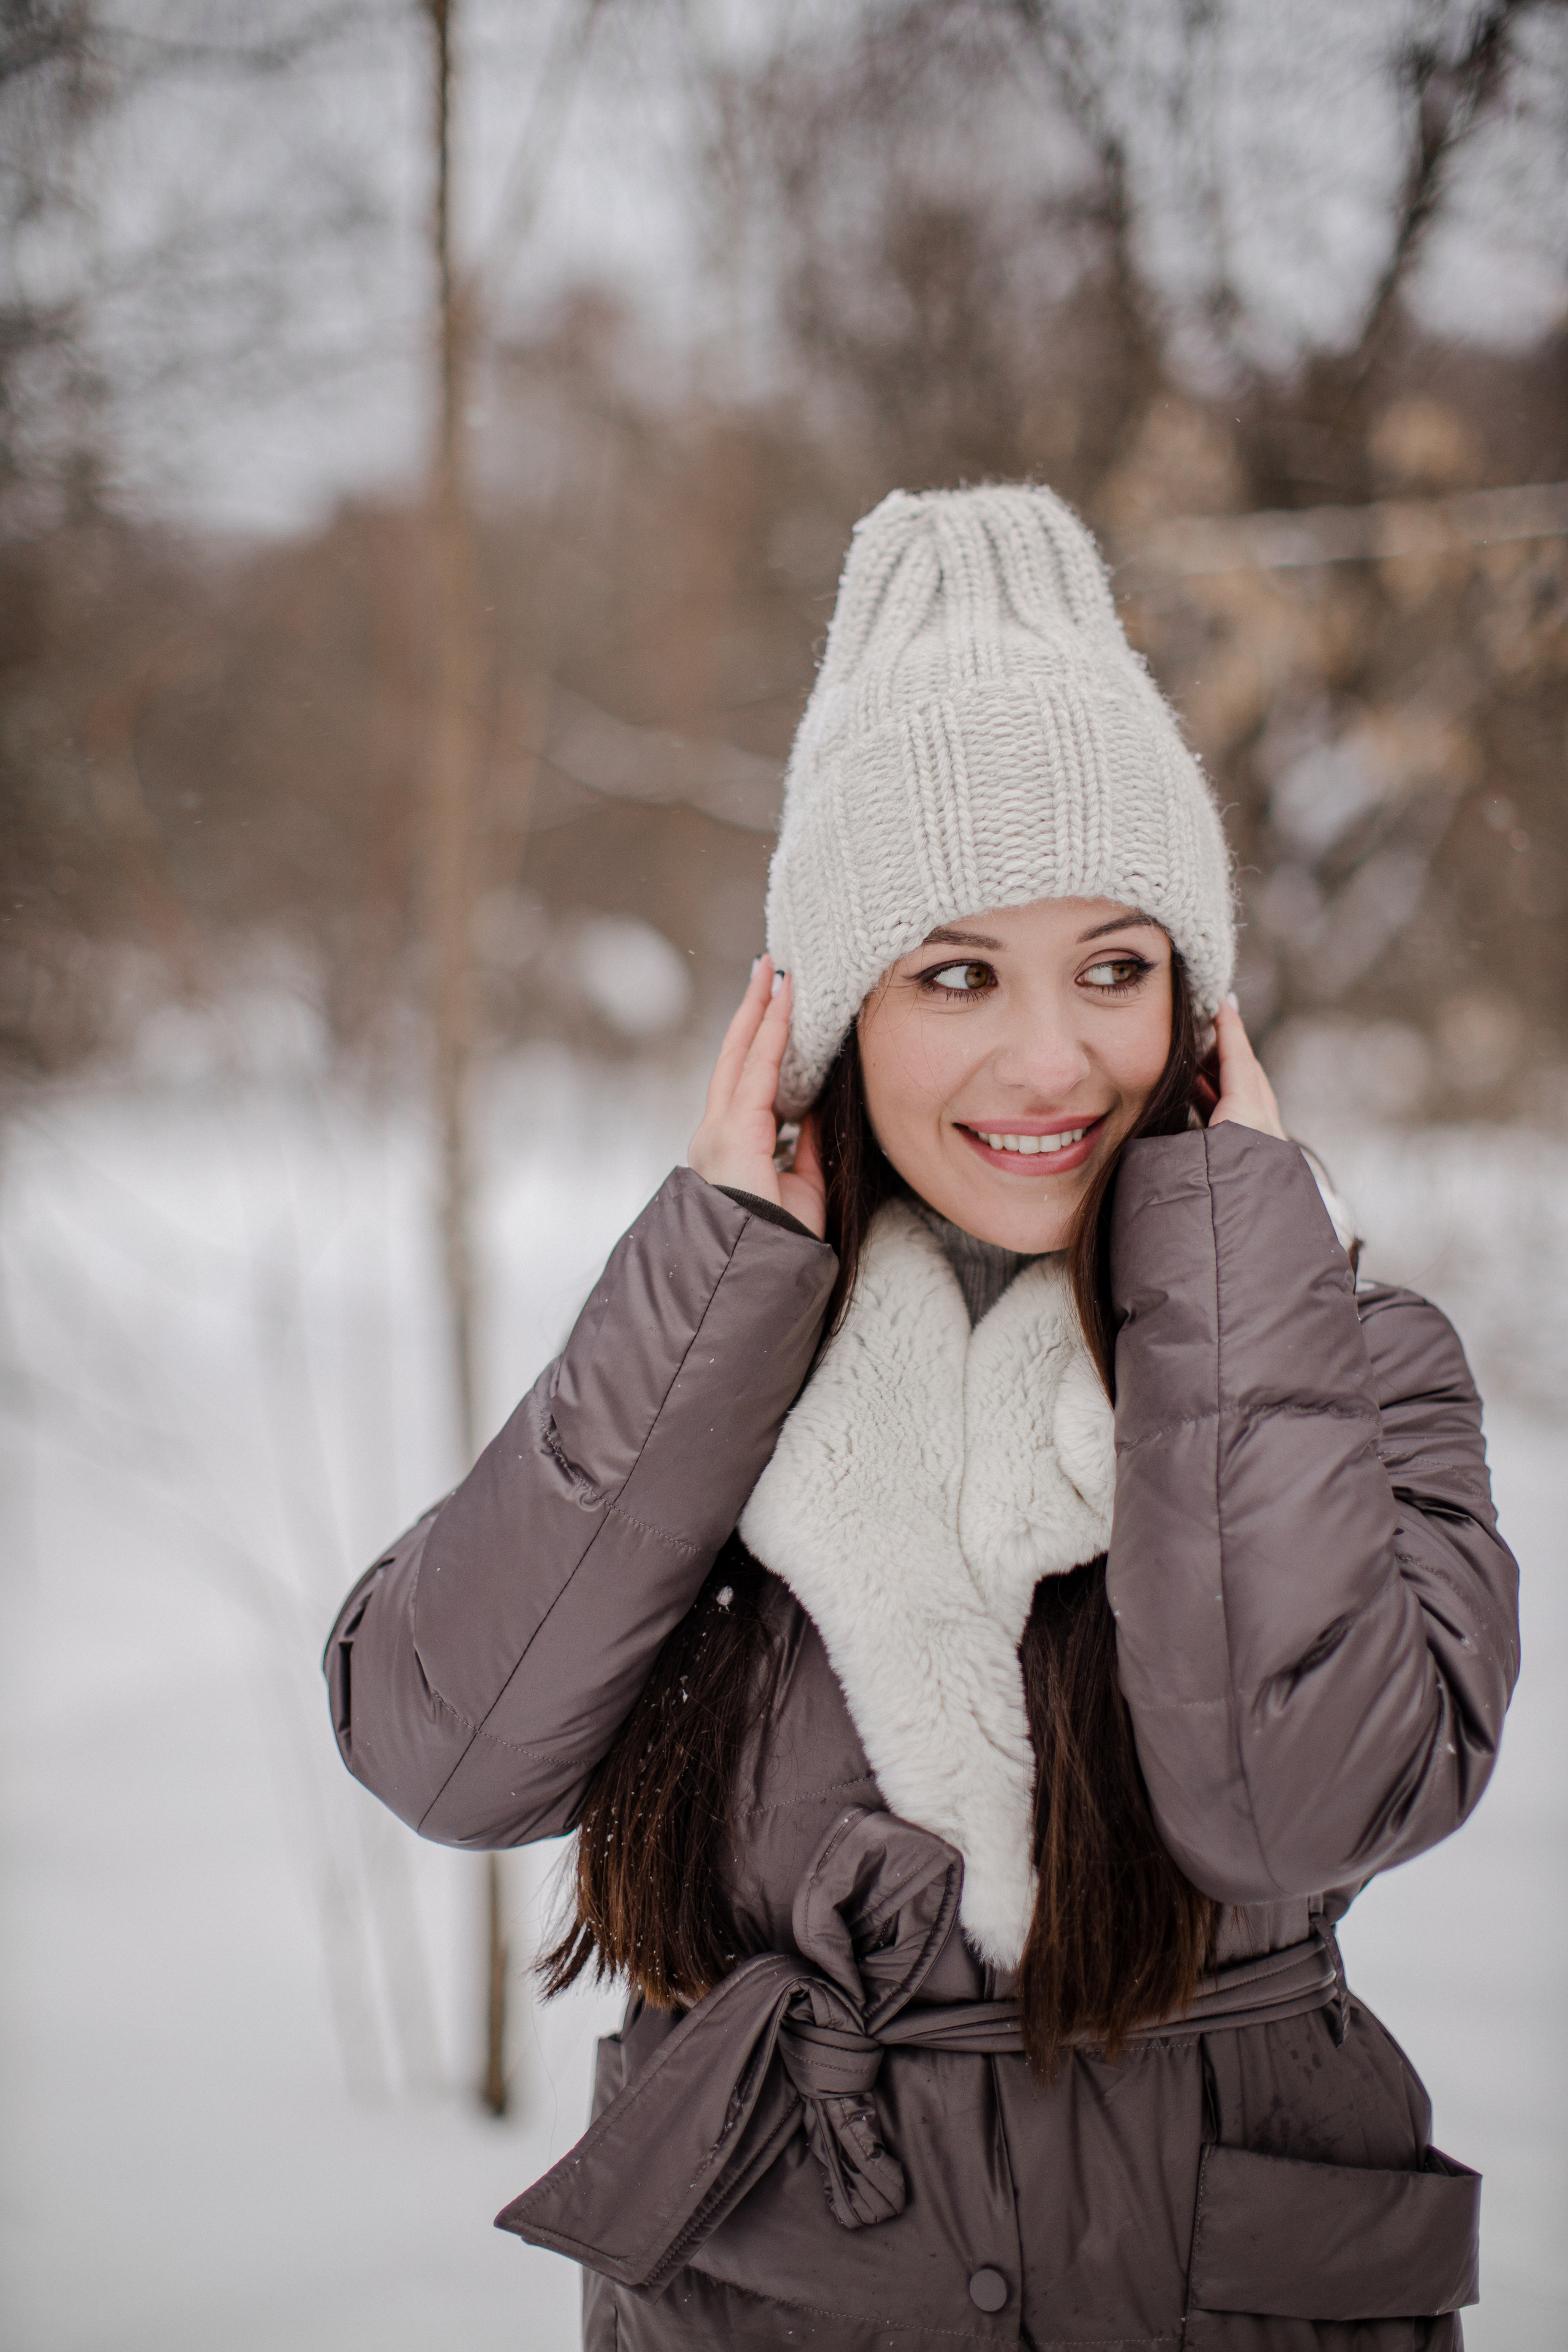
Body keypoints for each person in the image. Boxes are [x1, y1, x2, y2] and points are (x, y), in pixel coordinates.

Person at [325, 485, 1518, 2351]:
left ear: (1200, 1008)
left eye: (1114, 969)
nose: (1052, 1061)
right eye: (957, 972)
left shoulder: (1351, 1361)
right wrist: (715, 1282)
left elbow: (1299, 1807)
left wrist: (1223, 1263)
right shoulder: (715, 1362)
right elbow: (441, 1751)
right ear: (828, 1020)